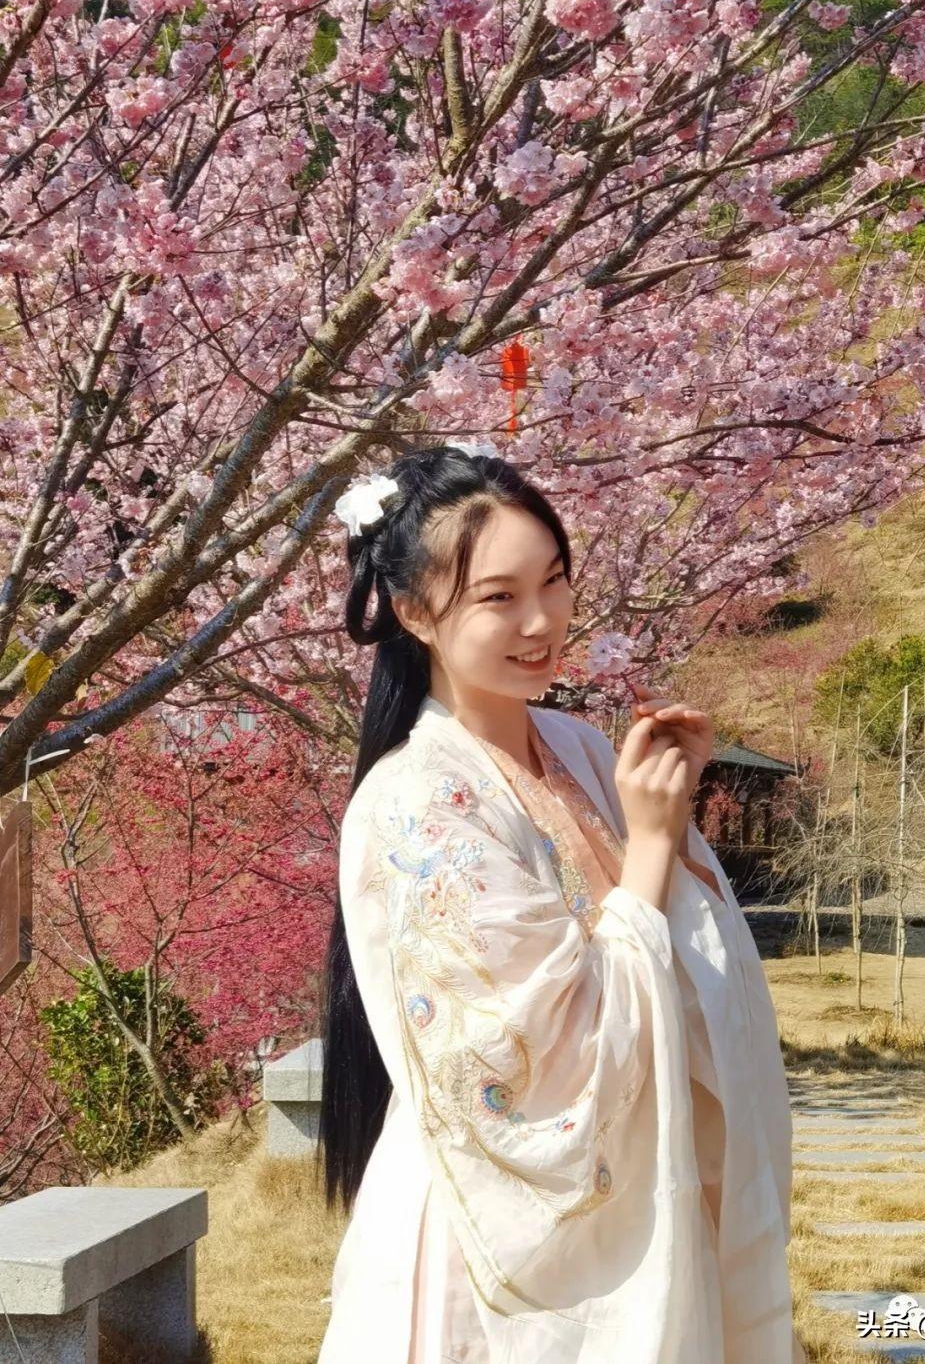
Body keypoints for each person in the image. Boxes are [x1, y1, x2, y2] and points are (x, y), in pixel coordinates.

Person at [317, 442, 804, 1364]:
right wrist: (651, 843)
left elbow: (694, 953)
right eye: (498, 597)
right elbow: (545, 1060)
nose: (541, 620)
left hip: (646, 1197)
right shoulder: (415, 802)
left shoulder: (578, 746)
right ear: (415, 612)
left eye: (555, 580)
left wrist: (669, 815)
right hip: (490, 1248)